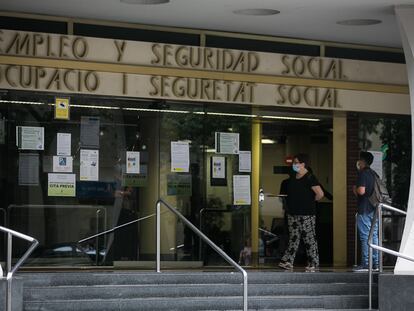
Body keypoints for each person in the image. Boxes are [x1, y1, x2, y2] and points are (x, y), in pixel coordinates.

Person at [278, 153, 324, 272]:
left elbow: (320, 194)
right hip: (293, 213)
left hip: (307, 213)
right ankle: (288, 261)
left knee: (309, 238)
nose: (294, 165)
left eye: (296, 162)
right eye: (294, 163)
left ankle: (313, 262)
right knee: (294, 237)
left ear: (303, 164)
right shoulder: (293, 177)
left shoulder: (310, 177)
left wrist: (309, 201)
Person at [353, 151, 379, 272]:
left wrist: (355, 189)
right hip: (375, 208)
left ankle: (365, 264)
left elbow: (361, 191)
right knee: (374, 236)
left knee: (365, 237)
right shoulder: (374, 174)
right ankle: (376, 263)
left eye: (359, 160)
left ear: (362, 161)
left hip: (364, 208)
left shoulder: (363, 174)